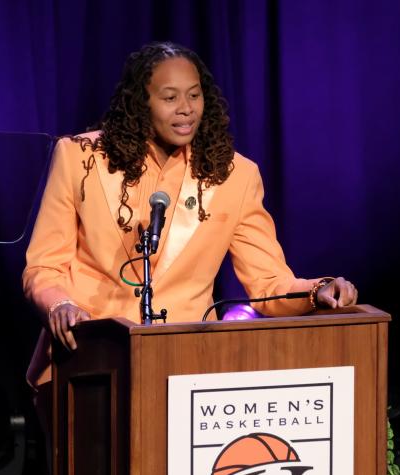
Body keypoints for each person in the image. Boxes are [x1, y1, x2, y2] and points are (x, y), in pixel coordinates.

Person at [23, 41, 358, 398]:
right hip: (86, 361)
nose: (186, 110)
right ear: (140, 103)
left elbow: (267, 284)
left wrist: (316, 292)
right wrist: (59, 304)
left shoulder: (236, 176)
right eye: (170, 98)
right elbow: (43, 267)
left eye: (194, 96)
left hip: (187, 370)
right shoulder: (80, 158)